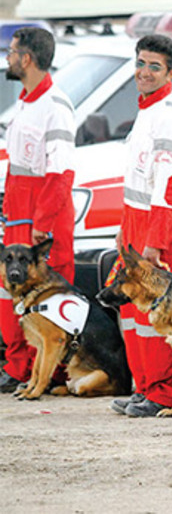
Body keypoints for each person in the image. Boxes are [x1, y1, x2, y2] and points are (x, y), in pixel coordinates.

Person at [109, 34, 172, 417]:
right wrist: (124, 226)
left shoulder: (171, 117)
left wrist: (155, 242)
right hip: (137, 221)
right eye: (140, 63)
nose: (144, 72)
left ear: (171, 73)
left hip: (165, 224)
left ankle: (163, 392)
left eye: (154, 66)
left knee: (162, 311)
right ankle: (144, 386)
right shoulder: (147, 111)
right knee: (133, 308)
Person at [0, 27, 75, 393]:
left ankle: (51, 374)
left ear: (26, 58)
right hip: (18, 210)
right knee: (10, 293)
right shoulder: (26, 101)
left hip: (42, 217)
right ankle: (18, 367)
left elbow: (61, 173)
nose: (8, 58)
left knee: (48, 296)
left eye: (12, 52)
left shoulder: (56, 107)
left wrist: (42, 224)